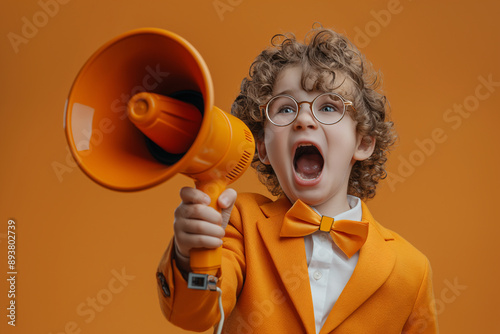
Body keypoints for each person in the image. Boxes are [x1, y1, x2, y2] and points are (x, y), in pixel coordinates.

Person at [156, 25, 439, 333]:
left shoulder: (411, 269)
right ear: (262, 146)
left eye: (329, 106)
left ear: (363, 142)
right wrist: (188, 254)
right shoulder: (237, 221)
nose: (304, 120)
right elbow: (194, 315)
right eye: (286, 108)